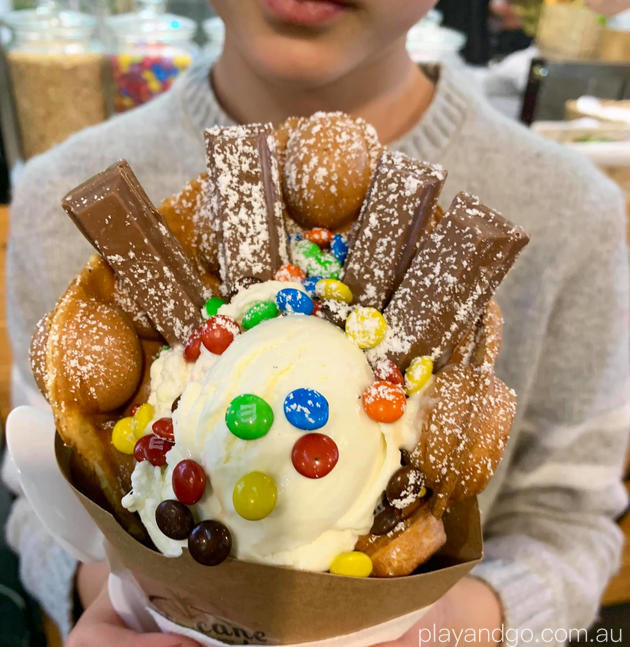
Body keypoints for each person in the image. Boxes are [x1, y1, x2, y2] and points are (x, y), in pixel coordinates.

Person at [4, 0, 629, 645]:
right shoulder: (56, 191)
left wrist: (458, 627)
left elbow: (569, 518)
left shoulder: (575, 213)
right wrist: (120, 599)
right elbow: (39, 489)